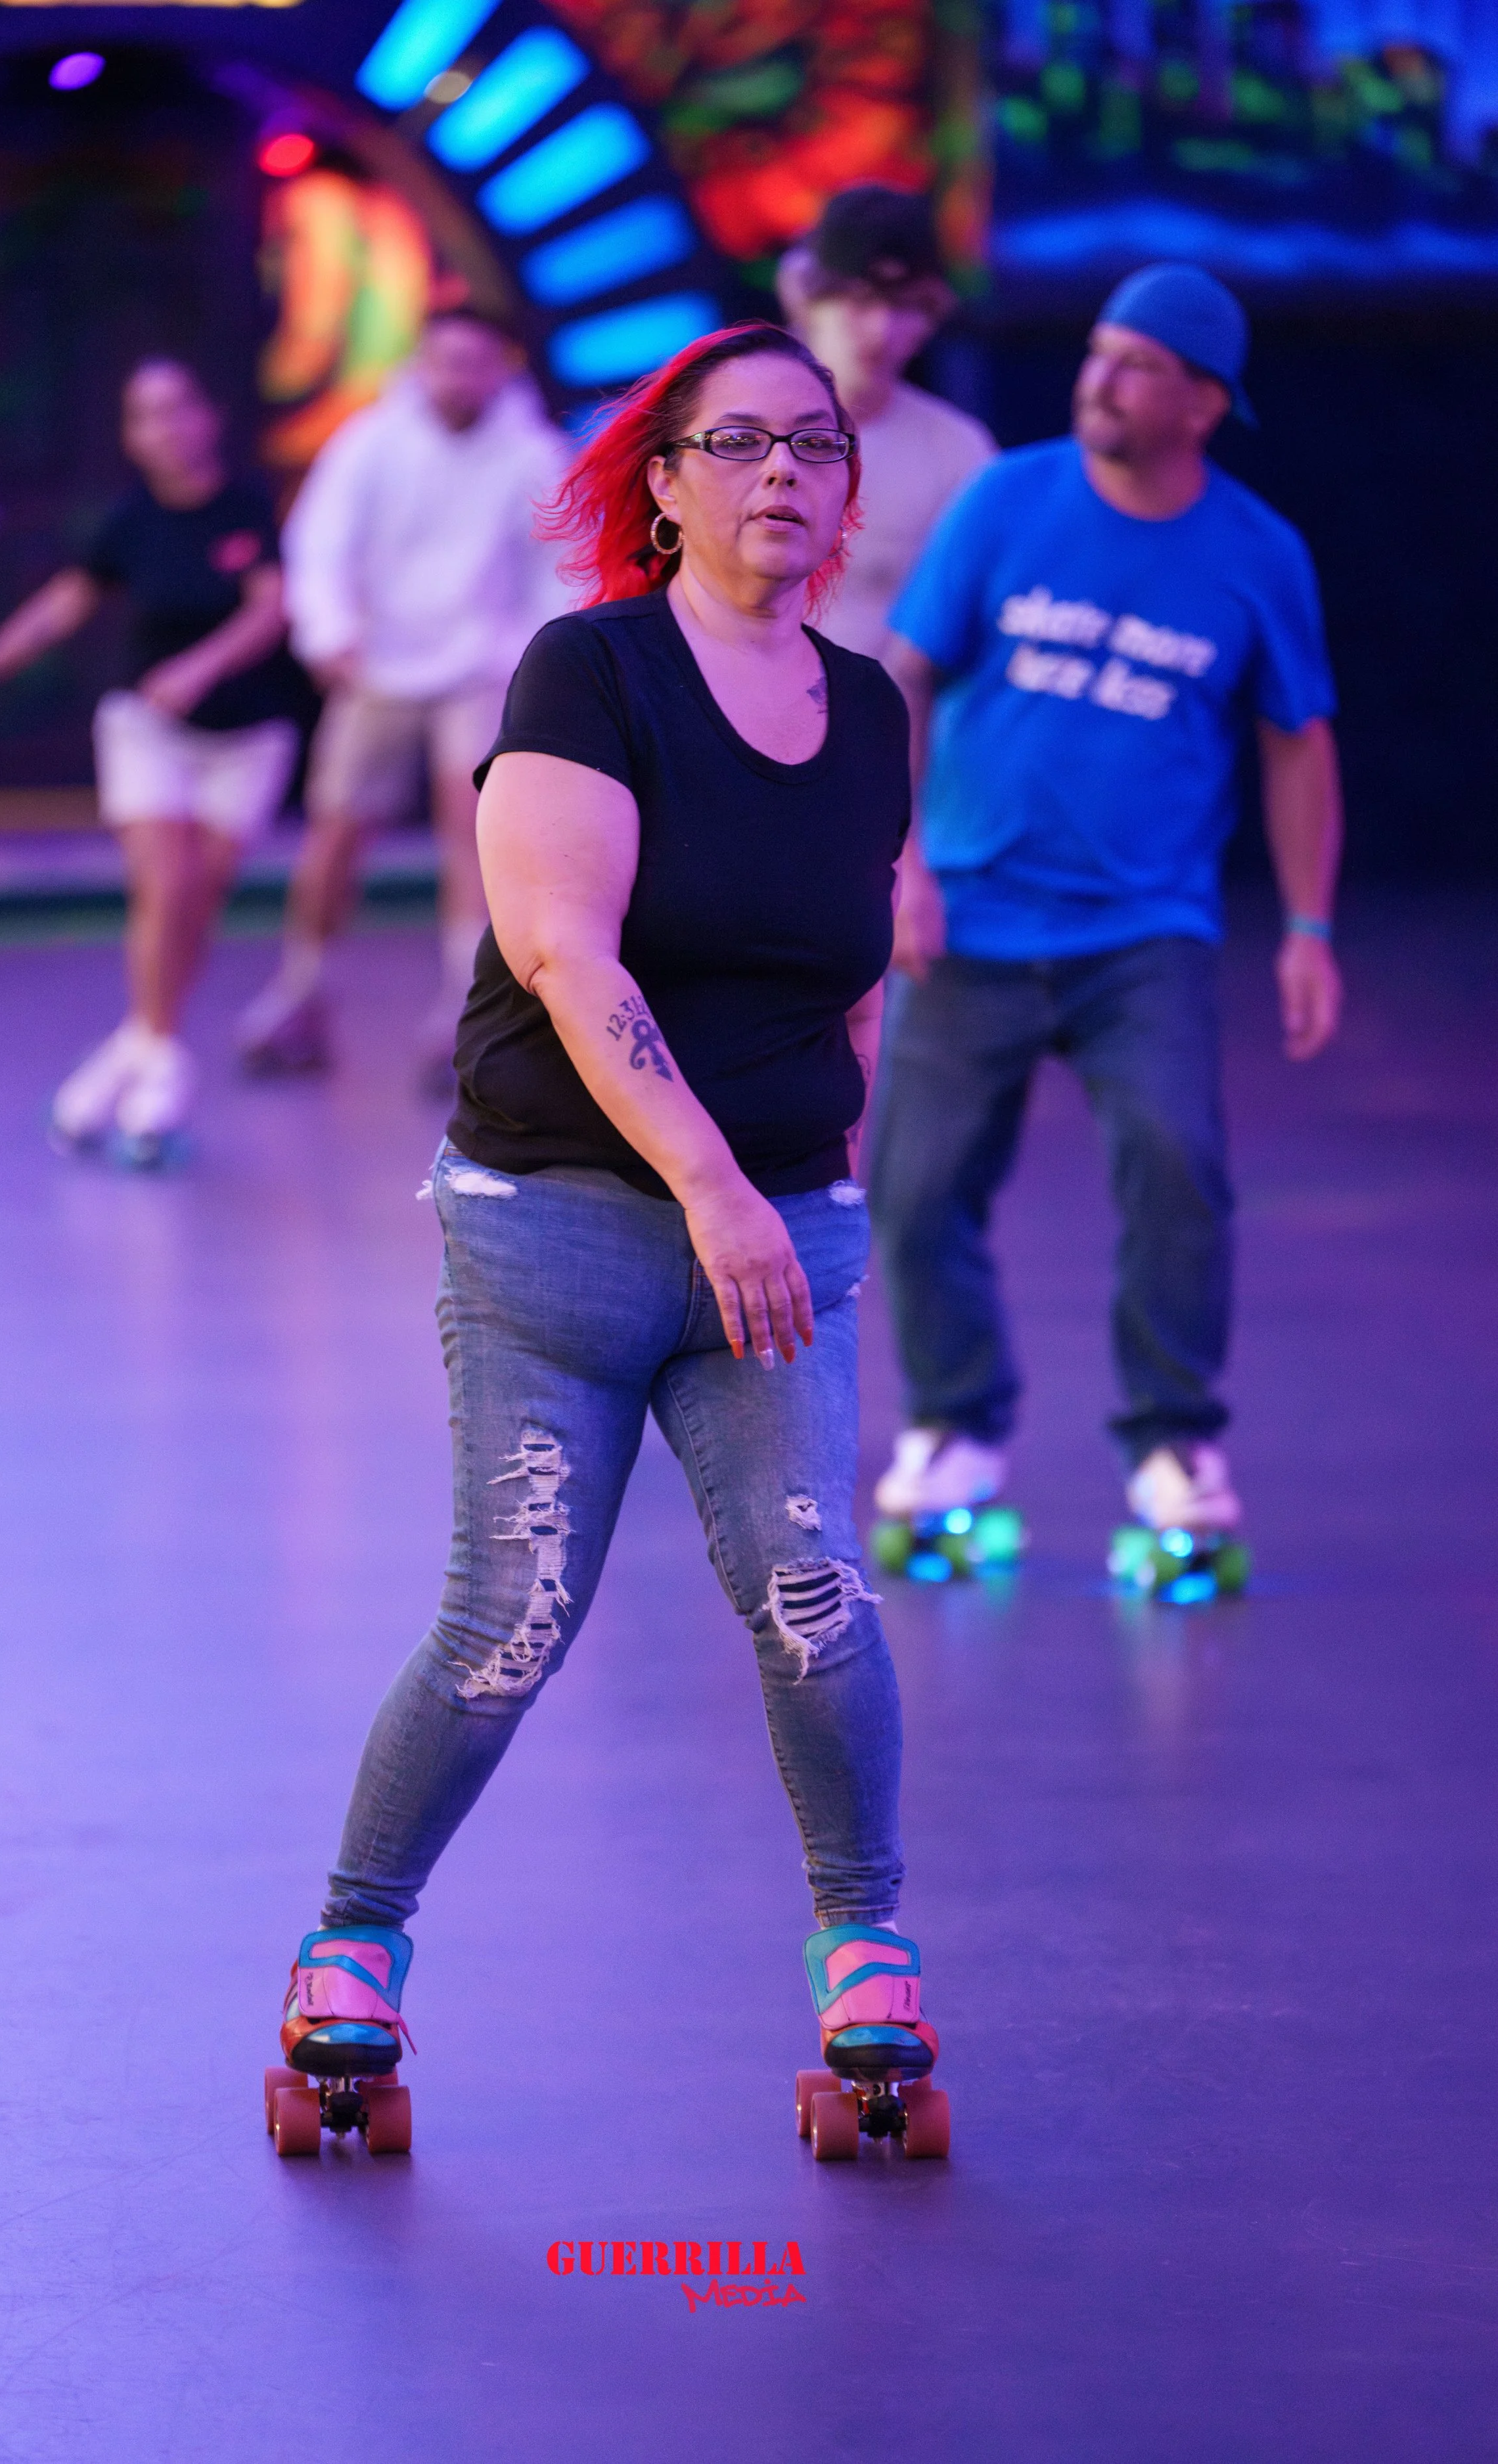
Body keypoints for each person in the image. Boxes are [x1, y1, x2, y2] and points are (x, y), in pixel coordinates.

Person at [264, 322, 946, 2162]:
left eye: (812, 444)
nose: (781, 473)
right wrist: (720, 1189)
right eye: (733, 443)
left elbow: (855, 976)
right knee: (510, 1620)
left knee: (816, 1602)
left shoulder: (871, 704)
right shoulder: (590, 670)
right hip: (559, 1226)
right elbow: (571, 956)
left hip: (777, 1235)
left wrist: (821, 1179)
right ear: (661, 482)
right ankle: (353, 1940)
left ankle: (862, 1940)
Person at [871, 263, 1344, 1541]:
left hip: (1143, 933)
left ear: (1200, 401)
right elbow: (901, 678)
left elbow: (1296, 741)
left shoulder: (1255, 553)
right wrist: (902, 866)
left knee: (1177, 1165)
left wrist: (1305, 927)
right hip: (969, 911)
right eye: (1094, 354)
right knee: (913, 1186)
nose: (1099, 380)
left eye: (1135, 365)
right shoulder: (1005, 502)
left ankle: (1171, 1440)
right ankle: (955, 1423)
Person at [0, 359, 300, 1160]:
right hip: (146, 729)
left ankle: (127, 1056)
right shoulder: (128, 523)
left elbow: (274, 608)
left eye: (176, 410)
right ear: (130, 435)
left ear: (208, 418)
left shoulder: (249, 507)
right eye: (143, 416)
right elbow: (62, 605)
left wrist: (204, 665)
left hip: (247, 737)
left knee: (198, 903)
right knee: (168, 885)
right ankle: (160, 1069)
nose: (163, 429)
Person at [236, 308, 570, 1089]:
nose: (459, 379)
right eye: (446, 362)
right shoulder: (370, 443)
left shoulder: (532, 454)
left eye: (475, 362)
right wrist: (330, 632)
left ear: (500, 366)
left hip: (482, 667)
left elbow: (559, 566)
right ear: (423, 364)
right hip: (377, 665)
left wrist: (529, 658)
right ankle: (302, 992)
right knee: (337, 833)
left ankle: (465, 1009)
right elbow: (320, 543)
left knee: (477, 835)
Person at [778, 185, 995, 660]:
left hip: (882, 726)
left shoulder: (960, 452)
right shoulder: (733, 431)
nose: (881, 329)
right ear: (805, 298)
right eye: (859, 301)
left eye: (904, 307)